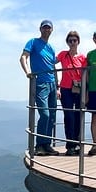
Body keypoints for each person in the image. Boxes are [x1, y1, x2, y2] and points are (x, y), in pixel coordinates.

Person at [20, 19, 59, 155]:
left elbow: (53, 67)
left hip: (52, 83)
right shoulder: (33, 42)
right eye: (44, 28)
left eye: (49, 28)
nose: (46, 30)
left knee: (52, 115)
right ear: (40, 29)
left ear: (52, 30)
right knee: (45, 114)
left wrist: (57, 86)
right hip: (41, 83)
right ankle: (40, 145)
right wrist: (28, 72)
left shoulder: (51, 48)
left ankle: (47, 144)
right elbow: (23, 57)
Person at [56, 30, 86, 156]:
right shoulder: (63, 54)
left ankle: (77, 143)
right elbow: (50, 63)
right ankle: (70, 145)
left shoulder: (83, 58)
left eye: (74, 40)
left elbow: (86, 74)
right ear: (67, 42)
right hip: (65, 89)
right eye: (70, 40)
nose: (72, 43)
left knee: (79, 116)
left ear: (78, 42)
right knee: (68, 116)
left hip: (79, 89)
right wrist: (56, 84)